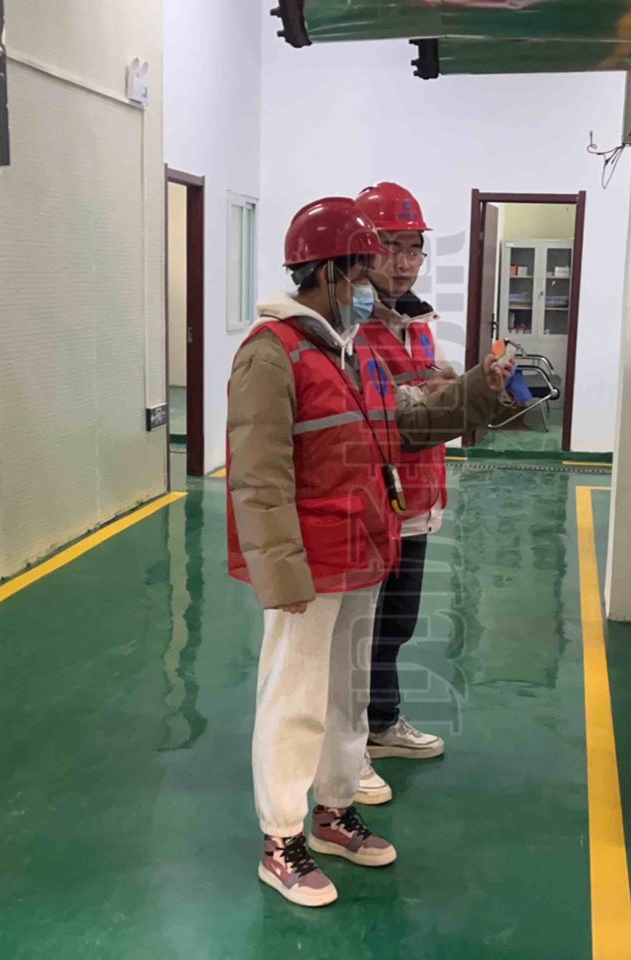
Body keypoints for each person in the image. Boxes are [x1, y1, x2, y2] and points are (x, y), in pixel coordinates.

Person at [226, 197, 509, 907]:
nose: (370, 285)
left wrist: (480, 390)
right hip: (308, 564)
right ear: (324, 272)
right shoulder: (271, 352)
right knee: (295, 697)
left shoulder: (347, 350)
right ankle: (281, 839)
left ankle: (333, 811)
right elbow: (258, 477)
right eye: (359, 271)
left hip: (361, 552)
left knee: (348, 694)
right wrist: (281, 573)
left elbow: (404, 425)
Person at [351, 184, 453, 808]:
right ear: (363, 249)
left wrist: (451, 386)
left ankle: (382, 721)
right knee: (356, 633)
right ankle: (347, 749)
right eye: (391, 246)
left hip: (414, 499)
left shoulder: (416, 322)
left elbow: (420, 400)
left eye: (414, 248)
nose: (405, 261)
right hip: (368, 505)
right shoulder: (348, 325)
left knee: (394, 624)